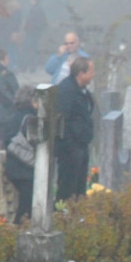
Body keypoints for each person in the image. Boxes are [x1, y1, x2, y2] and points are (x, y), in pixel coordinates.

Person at [54, 56, 96, 201]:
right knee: (67, 187)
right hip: (70, 148)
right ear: (81, 73)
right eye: (91, 71)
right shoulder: (66, 90)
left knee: (79, 187)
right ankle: (62, 214)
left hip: (81, 145)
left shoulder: (82, 90)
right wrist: (71, 143)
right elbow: (62, 119)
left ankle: (77, 215)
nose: (93, 75)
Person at [2, 86, 37, 222]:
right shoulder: (29, 118)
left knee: (27, 200)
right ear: (32, 101)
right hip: (23, 169)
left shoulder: (15, 115)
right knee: (28, 202)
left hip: (15, 167)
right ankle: (18, 228)